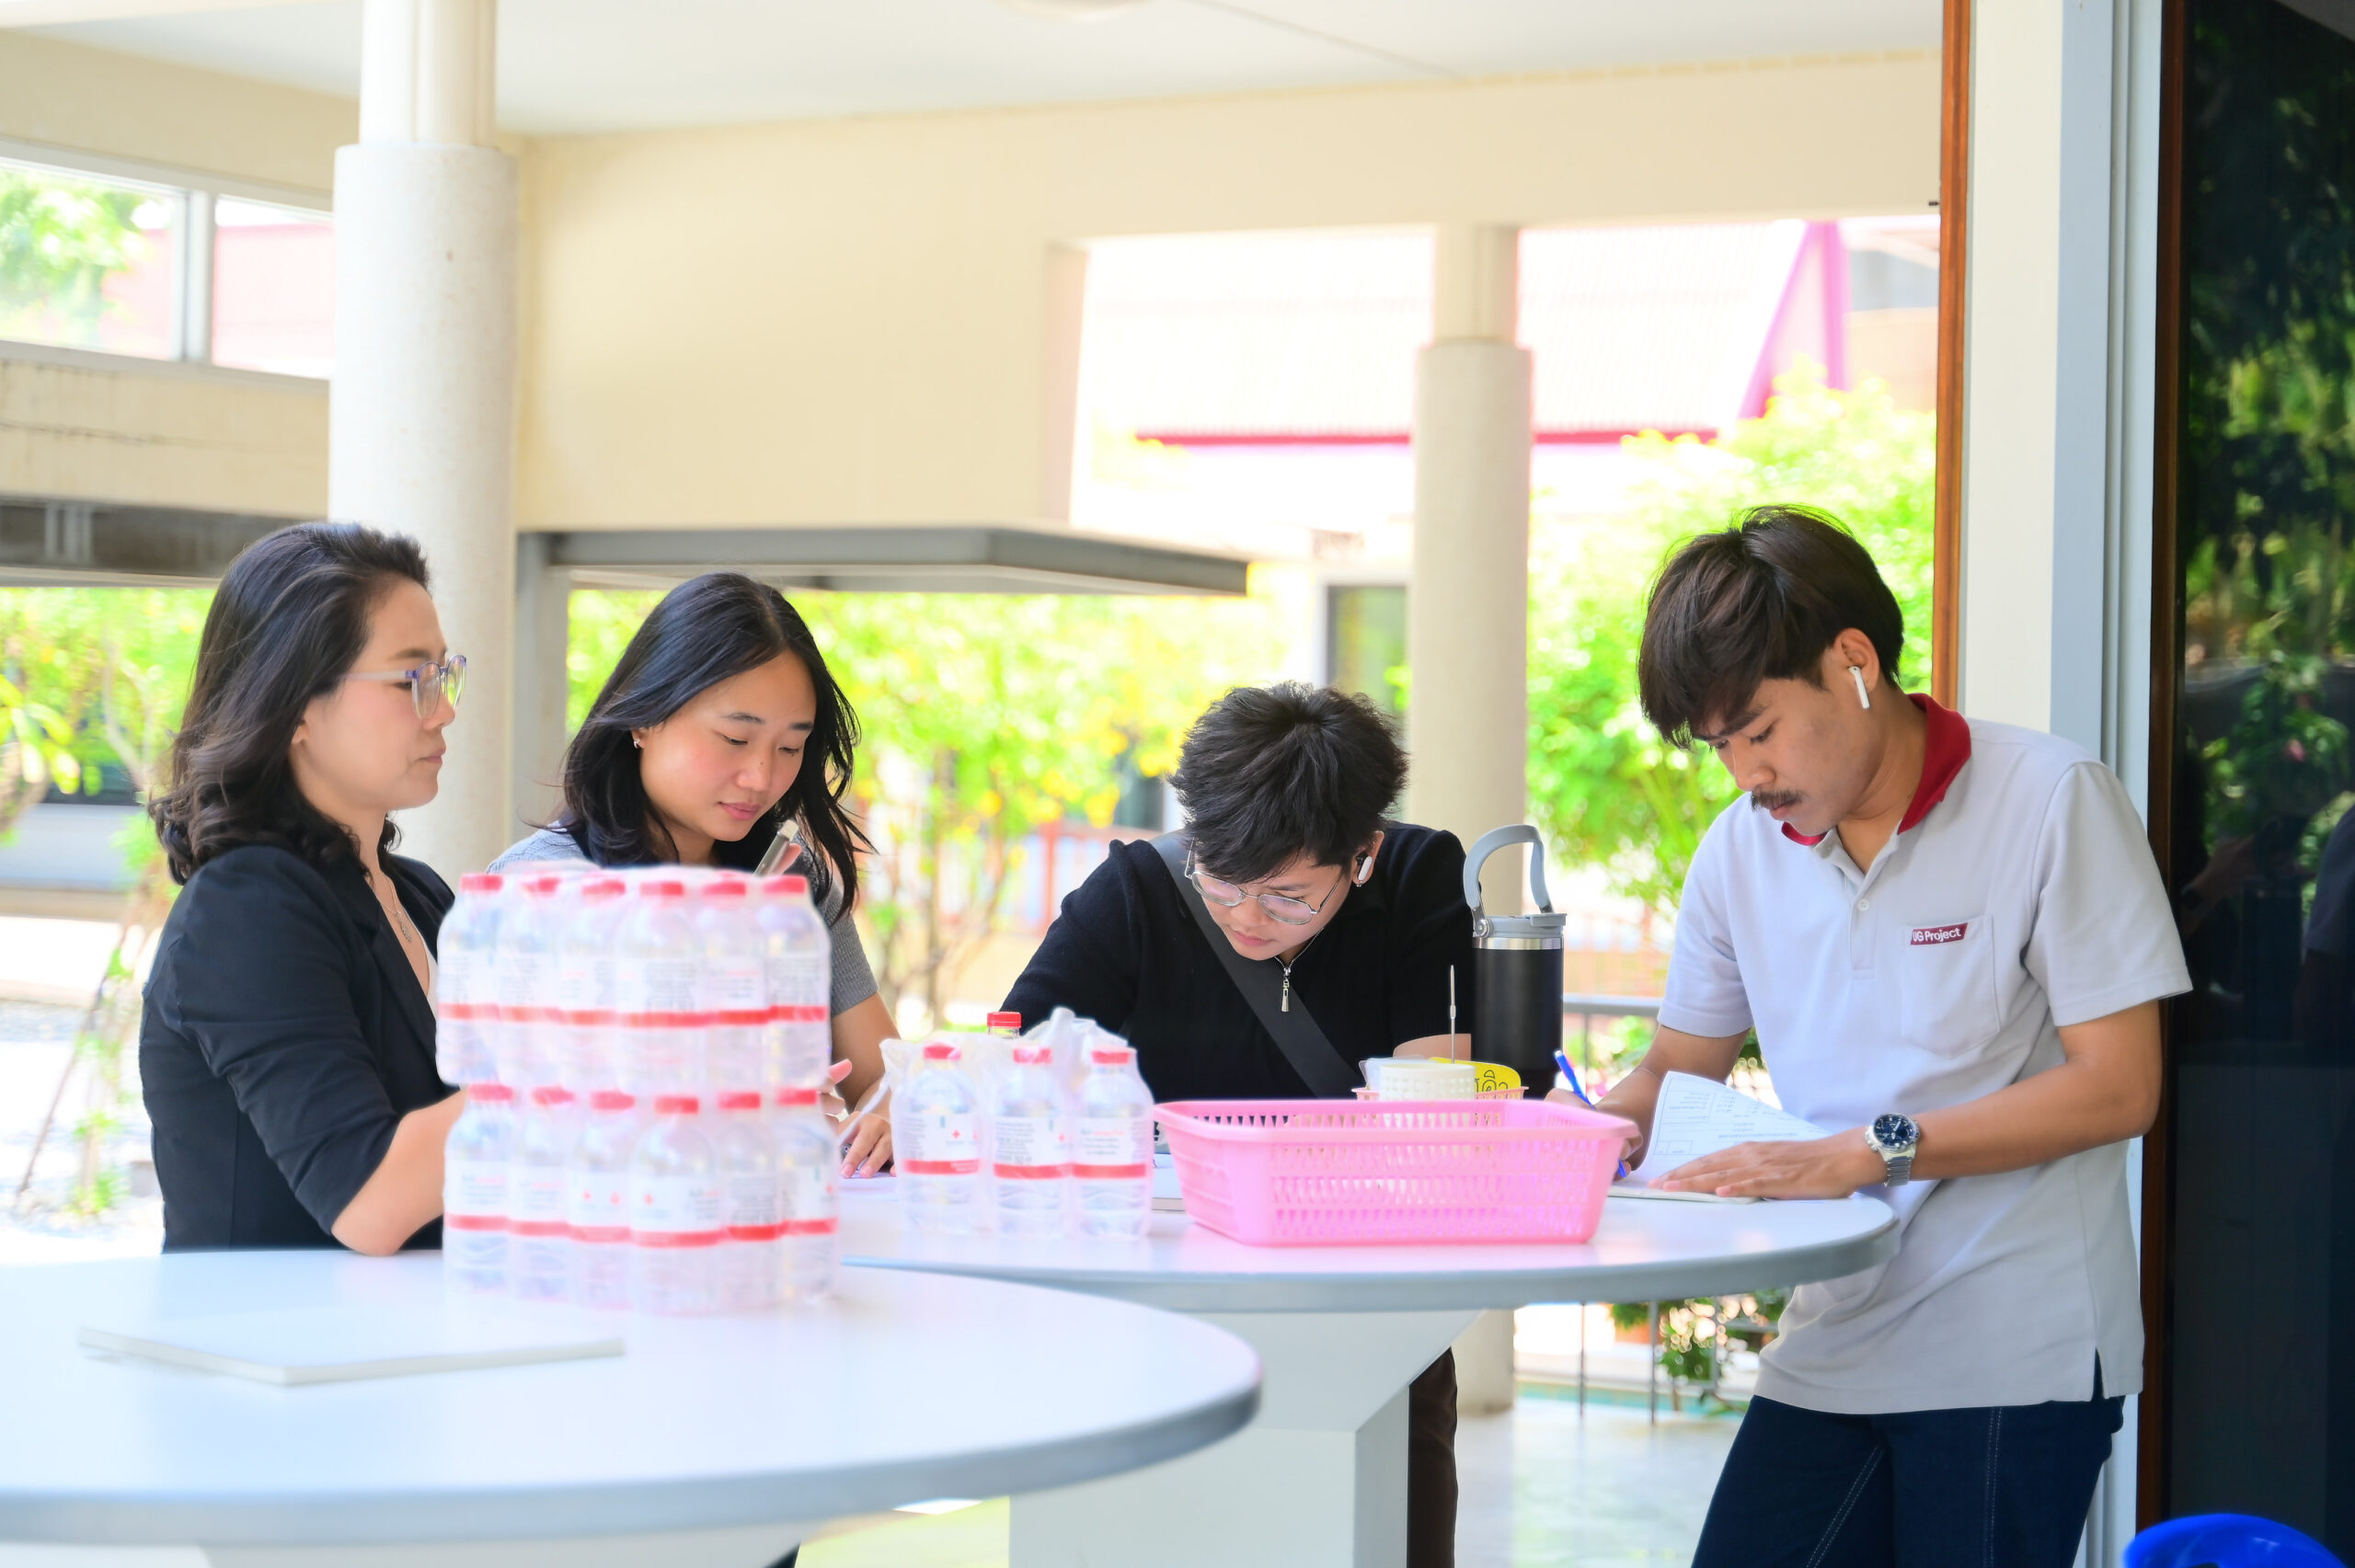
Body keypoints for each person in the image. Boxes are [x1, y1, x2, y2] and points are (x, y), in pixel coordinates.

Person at [1592, 505, 2189, 1567]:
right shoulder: (1738, 852)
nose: (1744, 774)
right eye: (1720, 746)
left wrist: (1864, 1151)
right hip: (1835, 1332)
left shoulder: (2050, 798)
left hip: (2015, 1346)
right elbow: (1676, 1067)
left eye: (1758, 731)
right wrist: (1588, 1132)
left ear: (1854, 662)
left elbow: (2119, 1087)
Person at [1003, 681, 1474, 1568]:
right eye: (1221, 881)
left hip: (1368, 1309)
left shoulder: (1417, 877)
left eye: (1289, 896)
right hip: (1165, 1311)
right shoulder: (1141, 888)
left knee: (1385, 1528)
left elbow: (1430, 1104)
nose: (1246, 917)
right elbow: (1018, 1054)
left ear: (1363, 854)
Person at [490, 571, 893, 1173]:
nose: (761, 777)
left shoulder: (792, 880)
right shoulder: (541, 888)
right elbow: (535, 1115)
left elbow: (884, 1077)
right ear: (645, 717)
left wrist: (887, 1116)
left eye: (790, 748)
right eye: (735, 738)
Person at [142, 522, 466, 1254]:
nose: (444, 708)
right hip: (269, 1328)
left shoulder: (421, 897)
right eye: (410, 679)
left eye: (445, 674)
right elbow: (367, 1199)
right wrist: (584, 1065)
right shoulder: (245, 907)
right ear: (293, 705)